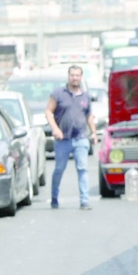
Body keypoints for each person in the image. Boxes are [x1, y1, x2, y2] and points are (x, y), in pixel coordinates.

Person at [46, 65, 96, 210]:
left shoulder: (85, 96)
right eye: (72, 75)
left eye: (77, 75)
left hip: (80, 138)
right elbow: (49, 112)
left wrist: (93, 132)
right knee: (59, 169)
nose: (75, 78)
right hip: (63, 140)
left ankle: (84, 201)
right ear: (68, 76)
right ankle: (54, 197)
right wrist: (55, 129)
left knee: (83, 168)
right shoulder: (58, 94)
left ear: (81, 77)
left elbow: (89, 115)